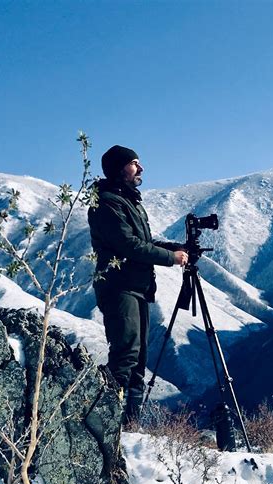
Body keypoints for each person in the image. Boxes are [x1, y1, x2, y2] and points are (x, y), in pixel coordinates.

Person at [88, 145, 188, 424]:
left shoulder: (128, 202)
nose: (141, 168)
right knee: (125, 355)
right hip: (120, 287)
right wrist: (171, 258)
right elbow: (128, 245)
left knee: (137, 359)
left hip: (137, 288)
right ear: (120, 168)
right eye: (134, 163)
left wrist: (176, 247)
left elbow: (143, 241)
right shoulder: (107, 202)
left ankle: (129, 426)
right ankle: (107, 424)